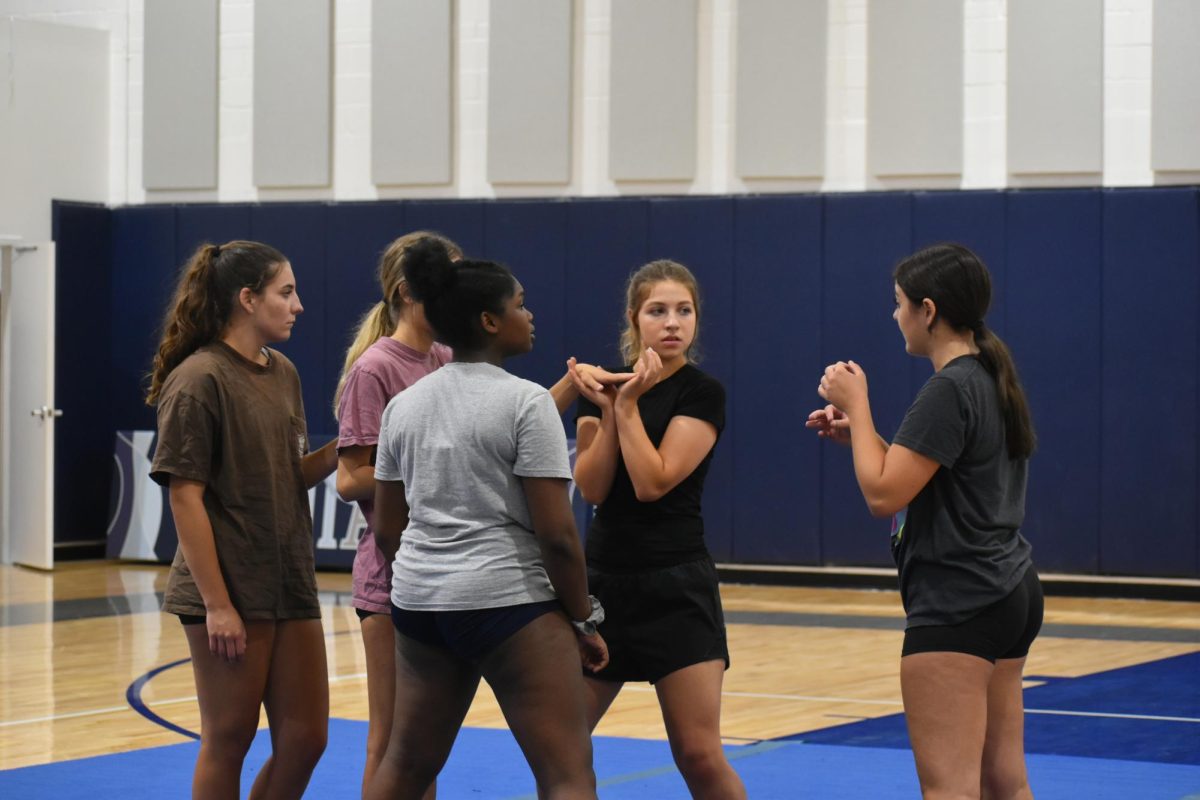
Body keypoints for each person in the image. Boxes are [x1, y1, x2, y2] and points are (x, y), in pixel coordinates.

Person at [333, 232, 627, 797]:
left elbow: (389, 530)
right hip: (507, 604)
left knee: (405, 764)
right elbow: (558, 537)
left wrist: (428, 580)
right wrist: (583, 619)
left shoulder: (404, 405)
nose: (530, 313)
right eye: (519, 304)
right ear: (490, 322)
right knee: (567, 771)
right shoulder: (525, 402)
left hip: (420, 606)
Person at [807, 242, 1042, 800]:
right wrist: (860, 437)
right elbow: (925, 474)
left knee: (950, 789)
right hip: (1008, 590)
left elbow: (884, 494)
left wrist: (859, 407)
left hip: (960, 598)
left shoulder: (948, 388)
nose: (895, 316)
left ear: (928, 310)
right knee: (1004, 782)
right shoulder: (987, 377)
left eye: (899, 303)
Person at [146, 240, 338, 799]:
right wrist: (217, 604)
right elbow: (185, 496)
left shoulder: (285, 373)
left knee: (306, 739)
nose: (298, 305)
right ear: (247, 299)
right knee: (229, 737)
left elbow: (286, 476)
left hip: (289, 582)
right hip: (230, 587)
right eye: (286, 292)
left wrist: (341, 451)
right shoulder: (198, 379)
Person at [569, 260, 747, 799]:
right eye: (658, 311)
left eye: (684, 311)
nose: (672, 322)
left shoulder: (701, 392)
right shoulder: (603, 385)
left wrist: (624, 408)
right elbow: (594, 487)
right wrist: (610, 401)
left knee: (697, 752)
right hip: (605, 584)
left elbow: (653, 481)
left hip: (676, 586)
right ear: (634, 318)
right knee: (564, 741)